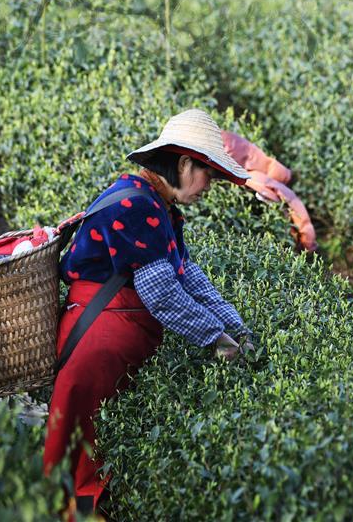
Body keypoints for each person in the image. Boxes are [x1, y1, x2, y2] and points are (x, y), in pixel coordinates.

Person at [43, 109, 254, 515]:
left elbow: (188, 275)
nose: (209, 186)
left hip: (114, 332)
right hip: (98, 341)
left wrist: (235, 325)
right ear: (184, 164)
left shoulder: (159, 206)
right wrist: (217, 338)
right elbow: (163, 294)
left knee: (95, 446)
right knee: (82, 457)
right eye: (208, 174)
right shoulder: (137, 205)